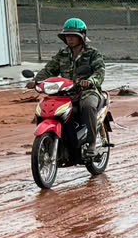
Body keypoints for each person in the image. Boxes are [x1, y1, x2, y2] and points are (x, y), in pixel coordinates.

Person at [39, 17, 108, 151]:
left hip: (88, 92)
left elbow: (100, 72)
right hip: (65, 93)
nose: (69, 39)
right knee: (45, 107)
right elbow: (49, 69)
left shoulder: (93, 53)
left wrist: (90, 81)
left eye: (73, 36)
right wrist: (36, 81)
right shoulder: (62, 54)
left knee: (87, 106)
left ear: (82, 36)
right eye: (67, 36)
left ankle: (92, 143)